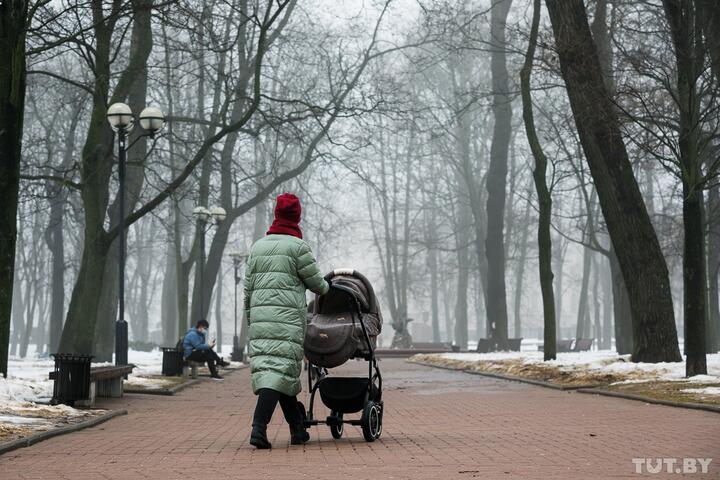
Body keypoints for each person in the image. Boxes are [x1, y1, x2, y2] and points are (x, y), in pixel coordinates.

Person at [244, 193, 329, 449]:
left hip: (261, 319)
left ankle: (297, 429)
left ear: (276, 214)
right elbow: (318, 285)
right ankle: (258, 428)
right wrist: (327, 287)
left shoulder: (258, 247)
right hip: (287, 321)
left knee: (281, 374)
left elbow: (247, 290)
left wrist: (252, 319)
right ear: (297, 217)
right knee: (277, 372)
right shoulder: (297, 247)